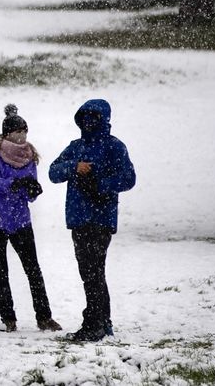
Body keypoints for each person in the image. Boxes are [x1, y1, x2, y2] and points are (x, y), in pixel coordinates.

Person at [48, 99, 136, 342]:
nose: (88, 122)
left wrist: (101, 185)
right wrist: (74, 167)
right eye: (85, 117)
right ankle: (102, 321)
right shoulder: (75, 147)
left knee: (92, 271)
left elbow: (129, 178)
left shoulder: (114, 147)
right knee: (92, 271)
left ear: (103, 119)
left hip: (101, 219)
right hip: (78, 218)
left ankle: (94, 322)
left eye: (93, 117)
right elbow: (53, 172)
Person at [0, 105, 60, 333]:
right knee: (0, 271)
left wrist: (32, 190)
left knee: (33, 269)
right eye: (17, 131)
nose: (22, 136)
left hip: (20, 221)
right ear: (7, 134)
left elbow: (30, 195)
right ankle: (8, 319)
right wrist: (15, 184)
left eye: (24, 131)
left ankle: (44, 317)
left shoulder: (30, 156)